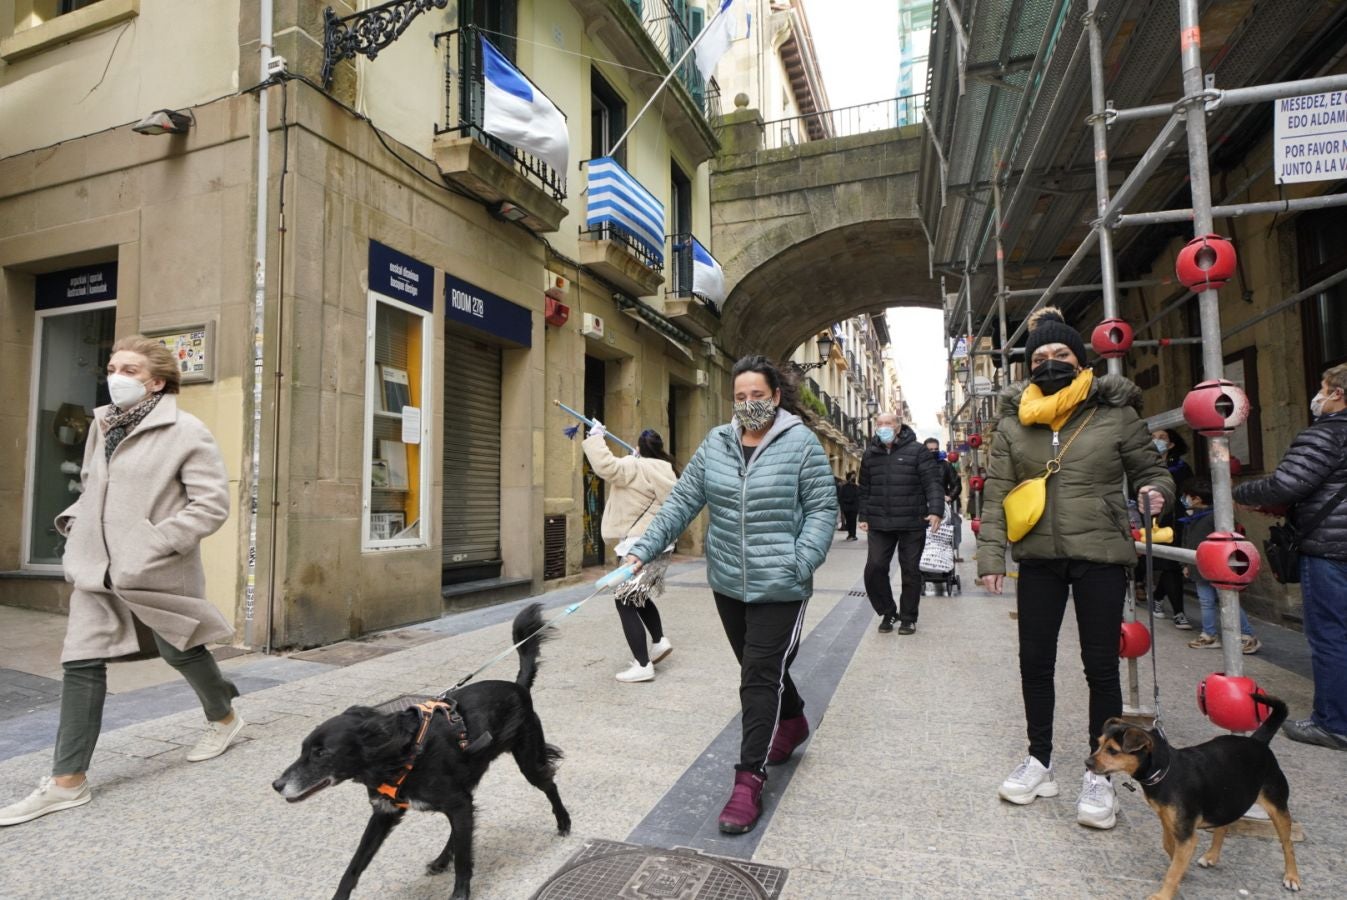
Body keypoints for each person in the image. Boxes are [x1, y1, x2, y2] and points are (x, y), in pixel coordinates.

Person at [0, 336, 242, 827]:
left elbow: (211, 505)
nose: (116, 376)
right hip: (95, 569)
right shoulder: (102, 424)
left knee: (181, 648)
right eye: (113, 366)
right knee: (82, 661)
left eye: (129, 369)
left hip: (154, 569)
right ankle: (68, 782)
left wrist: (154, 543)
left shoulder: (186, 431)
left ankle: (225, 717)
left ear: (155, 382)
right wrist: (74, 526)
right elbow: (94, 487)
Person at [977, 307, 1173, 831]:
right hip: (1039, 557)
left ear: (1080, 360)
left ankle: (1100, 774)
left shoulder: (1116, 414)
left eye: (1060, 355)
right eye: (1038, 358)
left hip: (1101, 556)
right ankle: (1039, 760)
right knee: (1034, 661)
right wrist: (990, 556)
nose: (1048, 364)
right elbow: (995, 494)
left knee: (1099, 666)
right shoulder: (1013, 423)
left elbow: (1150, 470)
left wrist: (1158, 493)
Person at [623, 356, 836, 834]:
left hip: (781, 583)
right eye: (739, 398)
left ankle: (748, 780)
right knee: (759, 666)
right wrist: (644, 549)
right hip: (729, 582)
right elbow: (682, 501)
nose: (748, 405)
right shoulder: (717, 444)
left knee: (759, 677)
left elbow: (823, 508)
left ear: (776, 396)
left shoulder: (800, 443)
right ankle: (794, 721)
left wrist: (799, 563)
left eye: (757, 396)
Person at [1233, 363, 1347, 750]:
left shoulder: (1328, 434)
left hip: (1331, 550)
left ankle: (1334, 723)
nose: (1319, 396)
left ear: (1337, 393)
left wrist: (1239, 493)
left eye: (1323, 387)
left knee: (1331, 634)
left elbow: (1287, 483)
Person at [582, 425, 679, 683]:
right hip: (660, 546)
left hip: (639, 547)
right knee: (638, 596)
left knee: (624, 600)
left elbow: (606, 466)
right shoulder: (665, 469)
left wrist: (596, 438)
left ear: (639, 448)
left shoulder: (635, 467)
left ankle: (643, 664)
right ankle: (659, 642)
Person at [859, 414, 944, 634]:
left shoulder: (918, 451)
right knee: (874, 568)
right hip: (879, 521)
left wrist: (935, 510)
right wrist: (864, 516)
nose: (882, 428)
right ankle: (888, 611)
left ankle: (908, 617)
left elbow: (932, 483)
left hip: (912, 521)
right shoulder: (870, 453)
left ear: (898, 426)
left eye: (887, 424)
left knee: (910, 571)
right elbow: (865, 487)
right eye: (879, 424)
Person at [1180, 477, 1260, 654]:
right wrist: (1186, 563)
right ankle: (1209, 634)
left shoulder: (1217, 516)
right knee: (1206, 602)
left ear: (1197, 499)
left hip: (1219, 567)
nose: (1184, 499)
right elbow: (1188, 542)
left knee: (1228, 600)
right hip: (1198, 565)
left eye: (1187, 496)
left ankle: (1247, 635)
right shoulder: (1191, 517)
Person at [1144, 427, 1192, 628]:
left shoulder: (1181, 467)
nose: (1157, 440)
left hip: (1178, 521)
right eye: (1153, 437)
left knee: (1172, 564)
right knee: (1166, 564)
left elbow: (1189, 491)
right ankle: (1160, 600)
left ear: (1171, 444)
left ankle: (1176, 610)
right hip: (1154, 521)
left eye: (1162, 438)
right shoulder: (1144, 465)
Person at [924, 437, 963, 560]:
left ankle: (947, 557)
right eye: (930, 450)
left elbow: (956, 484)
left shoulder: (946, 465)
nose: (933, 452)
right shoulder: (918, 465)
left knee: (950, 530)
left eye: (936, 449)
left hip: (943, 507)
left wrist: (950, 496)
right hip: (922, 506)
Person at [838, 472, 861, 541]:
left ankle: (852, 535)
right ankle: (851, 535)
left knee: (851, 521)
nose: (854, 478)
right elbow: (841, 497)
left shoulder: (853, 487)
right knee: (850, 521)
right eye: (853, 477)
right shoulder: (850, 487)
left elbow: (858, 498)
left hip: (851, 508)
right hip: (849, 508)